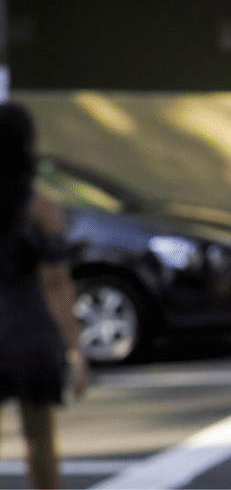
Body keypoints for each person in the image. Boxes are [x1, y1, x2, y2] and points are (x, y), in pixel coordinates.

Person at [0, 101, 88, 490]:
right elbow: (57, 284)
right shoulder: (40, 208)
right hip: (29, 331)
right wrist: (75, 350)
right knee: (40, 442)